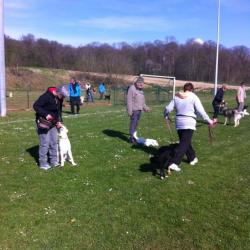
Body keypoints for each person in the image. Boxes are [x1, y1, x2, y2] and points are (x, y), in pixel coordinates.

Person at [164, 82, 215, 172]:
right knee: (184, 144)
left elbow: (168, 108)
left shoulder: (176, 96)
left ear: (184, 89)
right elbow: (201, 111)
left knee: (185, 142)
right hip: (189, 122)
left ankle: (192, 158)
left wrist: (166, 115)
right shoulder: (193, 96)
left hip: (179, 122)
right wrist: (209, 121)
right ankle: (174, 163)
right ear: (191, 89)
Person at [33, 87, 62, 170]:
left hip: (53, 124)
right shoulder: (45, 96)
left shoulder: (57, 98)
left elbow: (58, 111)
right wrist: (46, 114)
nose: (62, 97)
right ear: (56, 92)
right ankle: (43, 163)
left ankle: (54, 161)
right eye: (61, 95)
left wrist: (59, 121)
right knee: (44, 142)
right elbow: (36, 106)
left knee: (54, 142)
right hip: (43, 123)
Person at [127, 76, 150, 144]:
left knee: (136, 124)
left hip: (139, 111)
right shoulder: (132, 88)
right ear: (136, 82)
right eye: (139, 82)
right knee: (133, 124)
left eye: (142, 83)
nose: (141, 84)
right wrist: (129, 111)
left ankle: (134, 136)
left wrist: (146, 108)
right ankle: (131, 138)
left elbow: (142, 102)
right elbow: (129, 100)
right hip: (134, 110)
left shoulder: (141, 90)